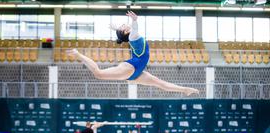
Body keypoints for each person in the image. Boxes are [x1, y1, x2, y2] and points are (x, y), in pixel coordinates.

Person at [67, 11, 199, 96]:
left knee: (161, 84)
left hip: (136, 71)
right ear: (126, 32)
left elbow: (125, 32)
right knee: (99, 74)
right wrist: (134, 20)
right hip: (132, 67)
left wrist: (116, 28)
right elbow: (133, 29)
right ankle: (78, 54)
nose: (125, 25)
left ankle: (185, 90)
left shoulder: (130, 37)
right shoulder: (133, 37)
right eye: (124, 26)